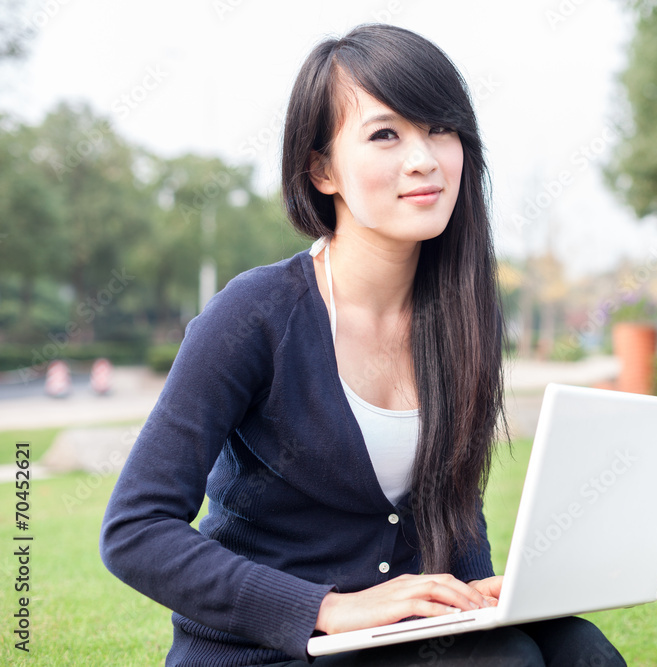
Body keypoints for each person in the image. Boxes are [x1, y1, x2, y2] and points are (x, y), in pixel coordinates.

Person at [99, 23, 625, 667]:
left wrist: (479, 593)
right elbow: (135, 530)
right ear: (322, 170)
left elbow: (452, 506)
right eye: (385, 134)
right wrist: (327, 608)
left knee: (580, 651)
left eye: (439, 129)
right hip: (274, 650)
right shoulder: (255, 314)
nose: (424, 159)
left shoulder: (460, 314)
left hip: (397, 635)